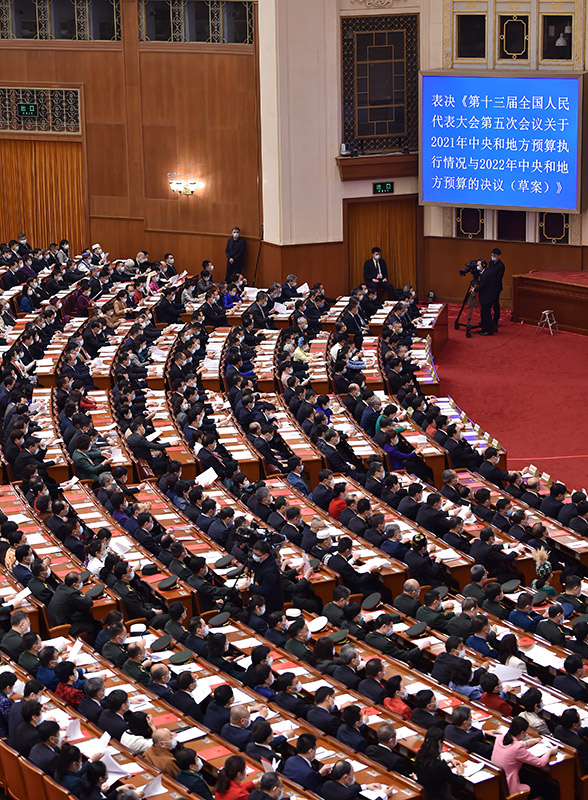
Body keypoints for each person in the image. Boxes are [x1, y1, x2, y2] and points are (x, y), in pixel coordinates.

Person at [492, 717, 557, 796]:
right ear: (522, 732)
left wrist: (529, 742)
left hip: (497, 782)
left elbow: (513, 745)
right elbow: (540, 763)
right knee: (544, 784)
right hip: (510, 786)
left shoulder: (500, 738)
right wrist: (550, 751)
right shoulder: (517, 749)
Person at [414, 727, 467, 800]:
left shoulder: (420, 757)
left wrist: (448, 761)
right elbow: (459, 784)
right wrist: (460, 773)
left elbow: (432, 765)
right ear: (439, 742)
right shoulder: (440, 766)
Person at [473, 259, 495, 336]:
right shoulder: (487, 272)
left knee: (486, 314)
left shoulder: (486, 275)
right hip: (488, 296)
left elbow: (483, 285)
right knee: (484, 313)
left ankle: (488, 330)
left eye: (478, 265)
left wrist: (474, 290)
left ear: (483, 265)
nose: (477, 267)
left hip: (487, 297)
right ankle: (484, 328)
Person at [489, 247, 505, 330]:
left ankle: (495, 321)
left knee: (495, 303)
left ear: (499, 256)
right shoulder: (490, 263)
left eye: (494, 255)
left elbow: (499, 278)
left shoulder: (501, 266)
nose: (493, 257)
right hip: (489, 286)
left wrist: (490, 280)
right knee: (488, 303)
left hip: (496, 287)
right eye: (492, 255)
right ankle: (488, 320)